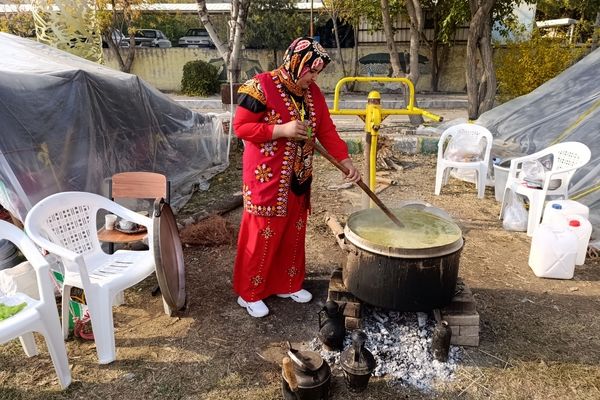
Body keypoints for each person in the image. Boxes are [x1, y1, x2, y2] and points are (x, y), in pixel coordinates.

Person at [232, 37, 360, 318]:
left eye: (317, 73)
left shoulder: (313, 94)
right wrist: (281, 130)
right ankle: (250, 293)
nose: (313, 78)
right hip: (266, 177)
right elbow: (241, 127)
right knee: (263, 232)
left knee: (292, 230)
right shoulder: (260, 86)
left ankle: (286, 284)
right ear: (295, 62)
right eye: (311, 71)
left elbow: (326, 130)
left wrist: (346, 162)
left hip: (299, 177)